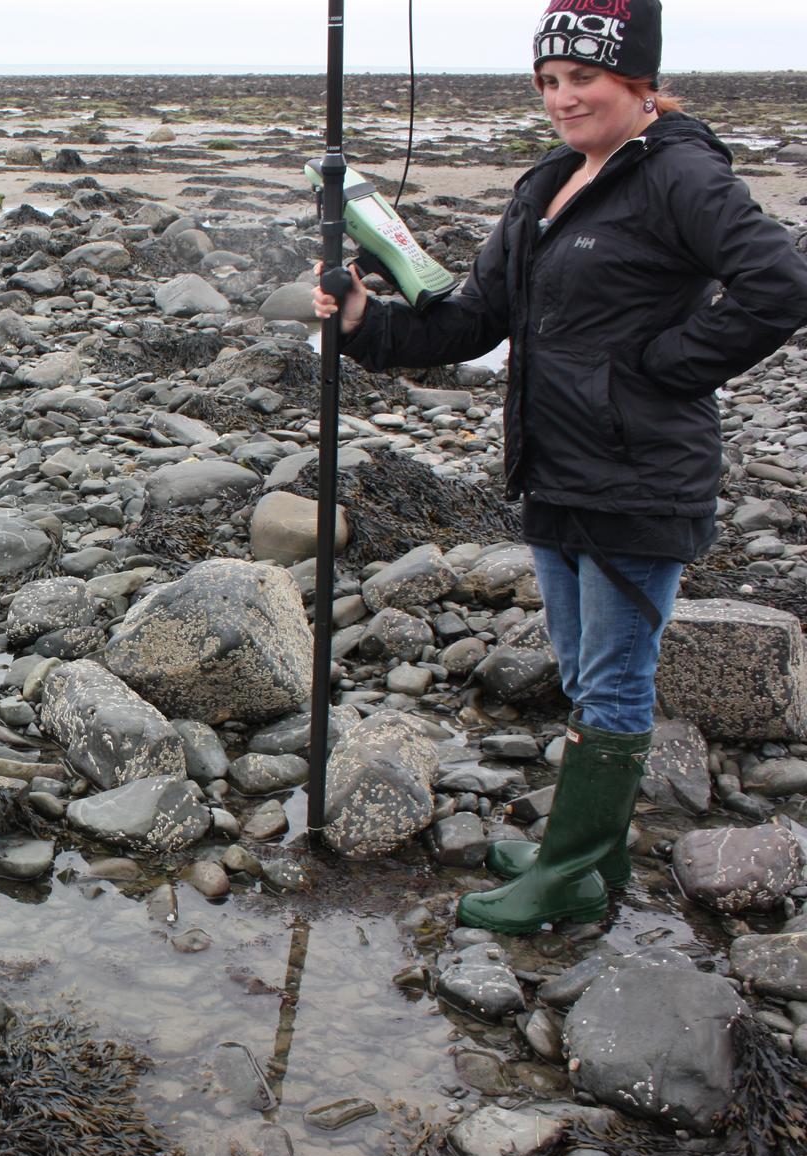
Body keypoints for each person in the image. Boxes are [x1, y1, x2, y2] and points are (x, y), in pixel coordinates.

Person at [313, 0, 807, 934]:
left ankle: (574, 871)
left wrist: (660, 368)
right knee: (584, 671)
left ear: (638, 83)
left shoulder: (681, 175)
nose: (563, 97)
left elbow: (778, 286)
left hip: (641, 477)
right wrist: (364, 326)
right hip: (557, 472)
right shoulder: (548, 183)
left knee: (616, 677)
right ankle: (593, 853)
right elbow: (474, 319)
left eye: (585, 78)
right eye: (549, 81)